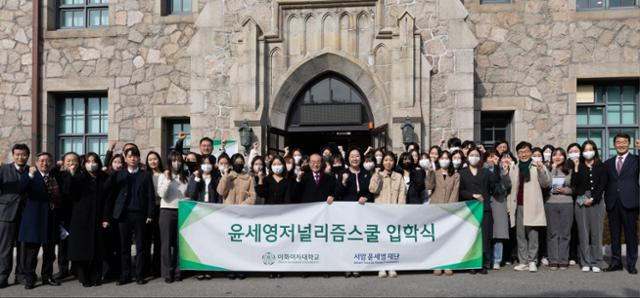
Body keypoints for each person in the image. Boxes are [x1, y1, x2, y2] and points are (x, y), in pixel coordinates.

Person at [107, 147, 156, 285]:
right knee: (124, 247)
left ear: (139, 158)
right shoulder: (119, 174)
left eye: (135, 156)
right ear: (125, 158)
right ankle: (126, 275)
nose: (133, 158)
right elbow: (110, 192)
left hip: (140, 214)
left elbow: (150, 196)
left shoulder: (145, 175)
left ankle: (140, 275)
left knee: (141, 246)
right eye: (130, 156)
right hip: (124, 214)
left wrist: (150, 214)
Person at [62, 152, 108, 287]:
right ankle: (84, 277)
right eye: (88, 161)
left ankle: (96, 276)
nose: (91, 164)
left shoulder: (103, 178)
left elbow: (108, 199)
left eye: (94, 161)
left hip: (98, 217)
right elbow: (68, 191)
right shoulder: (79, 177)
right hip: (81, 218)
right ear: (84, 164)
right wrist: (71, 174)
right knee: (81, 249)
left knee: (97, 249)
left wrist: (106, 217)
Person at [503, 141, 551, 273]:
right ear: (517, 154)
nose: (523, 154)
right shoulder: (514, 167)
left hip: (532, 204)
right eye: (520, 152)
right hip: (518, 205)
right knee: (520, 235)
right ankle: (523, 261)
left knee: (533, 234)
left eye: (526, 151)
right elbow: (508, 186)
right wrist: (505, 172)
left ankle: (532, 261)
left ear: (531, 152)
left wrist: (542, 169)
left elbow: (546, 183)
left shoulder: (537, 166)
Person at [18, 152, 62, 289]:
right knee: (32, 252)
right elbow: (20, 189)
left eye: (48, 161)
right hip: (35, 220)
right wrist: (30, 176)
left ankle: (47, 276)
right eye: (42, 161)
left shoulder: (55, 177)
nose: (45, 163)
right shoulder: (31, 176)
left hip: (51, 219)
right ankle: (30, 277)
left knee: (49, 252)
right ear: (36, 163)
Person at [603, 133, 639, 275]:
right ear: (614, 144)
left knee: (631, 235)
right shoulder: (608, 163)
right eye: (618, 142)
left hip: (630, 202)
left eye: (624, 142)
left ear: (629, 144)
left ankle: (631, 264)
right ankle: (616, 262)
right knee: (615, 235)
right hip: (613, 203)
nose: (621, 144)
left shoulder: (636, 160)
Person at [459, 147, 497, 275]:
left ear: (480, 158)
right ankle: (472, 263)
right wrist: (472, 195)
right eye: (471, 155)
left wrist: (496, 167)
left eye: (476, 155)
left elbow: (494, 185)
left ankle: (484, 263)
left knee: (485, 236)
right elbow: (461, 191)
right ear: (467, 157)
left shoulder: (485, 172)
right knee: (471, 236)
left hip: (484, 207)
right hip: (470, 208)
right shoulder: (462, 172)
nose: (473, 157)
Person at [570, 141, 606, 273]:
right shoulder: (579, 165)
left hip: (597, 200)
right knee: (583, 232)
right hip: (581, 199)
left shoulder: (601, 166)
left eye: (590, 149)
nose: (588, 152)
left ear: (595, 151)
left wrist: (594, 198)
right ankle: (586, 261)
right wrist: (576, 168)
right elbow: (575, 184)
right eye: (585, 150)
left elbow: (603, 184)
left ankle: (597, 261)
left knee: (596, 232)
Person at [337, 147, 371, 278]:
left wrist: (367, 197)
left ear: (361, 158)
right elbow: (337, 193)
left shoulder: (367, 173)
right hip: (346, 212)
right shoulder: (343, 173)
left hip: (363, 212)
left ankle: (357, 265)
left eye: (357, 156)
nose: (355, 159)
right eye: (352, 156)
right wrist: (343, 181)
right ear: (348, 158)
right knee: (347, 239)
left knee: (359, 239)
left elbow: (372, 190)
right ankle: (347, 266)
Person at [156, 151, 189, 283]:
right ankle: (167, 272)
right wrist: (168, 180)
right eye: (174, 160)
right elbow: (161, 194)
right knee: (166, 243)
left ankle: (177, 271)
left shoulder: (185, 176)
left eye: (179, 160)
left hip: (182, 211)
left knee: (179, 244)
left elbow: (188, 192)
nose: (177, 162)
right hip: (167, 211)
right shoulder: (163, 176)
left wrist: (187, 198)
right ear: (169, 161)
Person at [0, 144, 30, 289]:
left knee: (23, 246)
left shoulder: (31, 170)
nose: (20, 157)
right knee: (4, 247)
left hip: (25, 214)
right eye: (17, 154)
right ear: (13, 155)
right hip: (7, 213)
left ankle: (21, 275)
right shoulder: (4, 169)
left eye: (23, 154)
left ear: (27, 156)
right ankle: (2, 276)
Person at [425, 150, 459, 276]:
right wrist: (429, 172)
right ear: (438, 160)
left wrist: (449, 209)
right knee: (437, 238)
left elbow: (455, 192)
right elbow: (429, 186)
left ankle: (448, 263)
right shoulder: (435, 172)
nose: (444, 160)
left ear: (450, 160)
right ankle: (437, 264)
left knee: (448, 238)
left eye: (447, 158)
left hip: (449, 209)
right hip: (435, 208)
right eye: (442, 158)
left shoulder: (455, 175)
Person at [185, 155, 218, 281]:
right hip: (198, 212)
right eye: (204, 163)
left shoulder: (216, 177)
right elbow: (191, 194)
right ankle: (199, 269)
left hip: (212, 211)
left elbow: (219, 195)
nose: (206, 165)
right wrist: (197, 179)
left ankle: (208, 269)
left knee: (210, 242)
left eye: (209, 163)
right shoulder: (194, 176)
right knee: (199, 242)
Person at [545, 148, 574, 271]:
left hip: (567, 202)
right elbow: (546, 183)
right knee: (552, 233)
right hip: (551, 203)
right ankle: (553, 259)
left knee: (565, 233)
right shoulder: (548, 169)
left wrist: (565, 191)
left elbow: (575, 187)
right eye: (555, 155)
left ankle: (563, 260)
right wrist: (552, 168)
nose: (557, 157)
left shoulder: (570, 169)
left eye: (560, 155)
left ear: (564, 156)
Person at [486, 150, 509, 270]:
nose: (493, 159)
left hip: (499, 202)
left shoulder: (503, 170)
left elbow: (508, 185)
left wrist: (504, 171)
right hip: (486, 201)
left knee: (498, 234)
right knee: (487, 232)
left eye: (495, 157)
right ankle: (488, 258)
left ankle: (497, 259)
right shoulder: (483, 170)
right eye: (490, 157)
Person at [145, 151, 164, 279]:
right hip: (147, 210)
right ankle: (146, 268)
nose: (153, 161)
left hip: (161, 208)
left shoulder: (164, 174)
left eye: (155, 159)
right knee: (146, 240)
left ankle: (158, 268)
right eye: (150, 159)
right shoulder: (144, 175)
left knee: (159, 239)